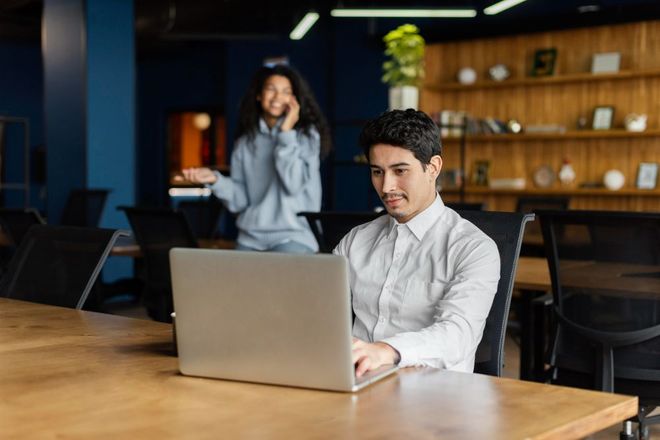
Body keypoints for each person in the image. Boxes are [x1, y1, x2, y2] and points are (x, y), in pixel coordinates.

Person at [333, 109, 500, 377]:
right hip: (358, 381)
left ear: (433, 168)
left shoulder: (473, 248)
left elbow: (458, 335)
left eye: (400, 171)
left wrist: (385, 351)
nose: (386, 187)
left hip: (434, 393)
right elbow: (321, 313)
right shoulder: (355, 241)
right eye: (377, 172)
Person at [181, 64, 331, 253]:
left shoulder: (306, 136)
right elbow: (240, 200)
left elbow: (293, 185)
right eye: (271, 89)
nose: (277, 97)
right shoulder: (245, 142)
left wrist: (286, 133)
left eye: (286, 91)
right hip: (250, 238)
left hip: (294, 237)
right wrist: (215, 179)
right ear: (259, 96)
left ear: (293, 100)